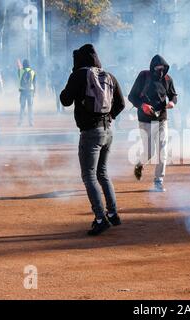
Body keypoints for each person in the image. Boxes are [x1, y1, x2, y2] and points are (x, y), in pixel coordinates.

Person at [60, 44, 125, 236]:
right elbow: (121, 103)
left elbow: (65, 100)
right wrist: (109, 117)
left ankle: (100, 219)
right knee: (102, 174)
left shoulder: (79, 74)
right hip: (108, 132)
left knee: (89, 176)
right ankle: (112, 214)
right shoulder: (109, 76)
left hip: (90, 133)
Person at [128, 55, 178, 192]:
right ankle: (140, 164)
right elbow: (132, 96)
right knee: (149, 152)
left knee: (163, 151)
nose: (160, 72)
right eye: (158, 69)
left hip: (162, 119)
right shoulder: (144, 76)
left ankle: (158, 181)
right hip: (145, 120)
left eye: (163, 69)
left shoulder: (167, 79)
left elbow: (173, 95)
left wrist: (172, 102)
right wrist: (142, 105)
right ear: (152, 67)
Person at [18, 59, 36, 126]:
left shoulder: (20, 71)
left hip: (23, 92)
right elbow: (34, 83)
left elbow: (19, 69)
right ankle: (31, 122)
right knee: (30, 107)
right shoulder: (32, 72)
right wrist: (34, 92)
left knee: (22, 107)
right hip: (30, 91)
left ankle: (20, 121)